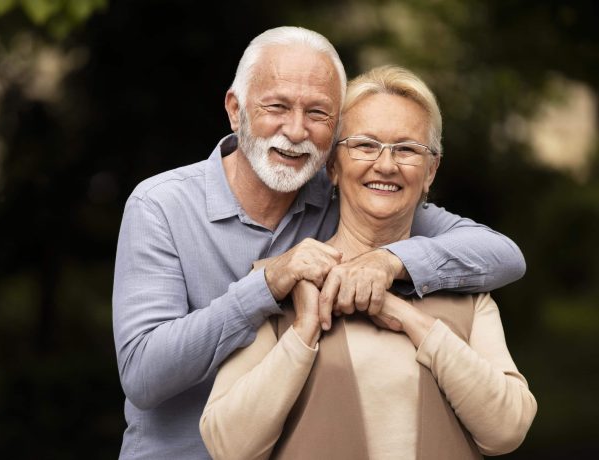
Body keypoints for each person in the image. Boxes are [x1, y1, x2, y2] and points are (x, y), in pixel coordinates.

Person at [113, 27, 526, 459]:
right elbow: (143, 375)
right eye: (277, 106)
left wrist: (389, 262)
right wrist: (266, 286)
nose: (295, 131)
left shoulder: (344, 195)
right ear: (236, 110)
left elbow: (502, 255)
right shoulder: (160, 205)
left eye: (318, 113)